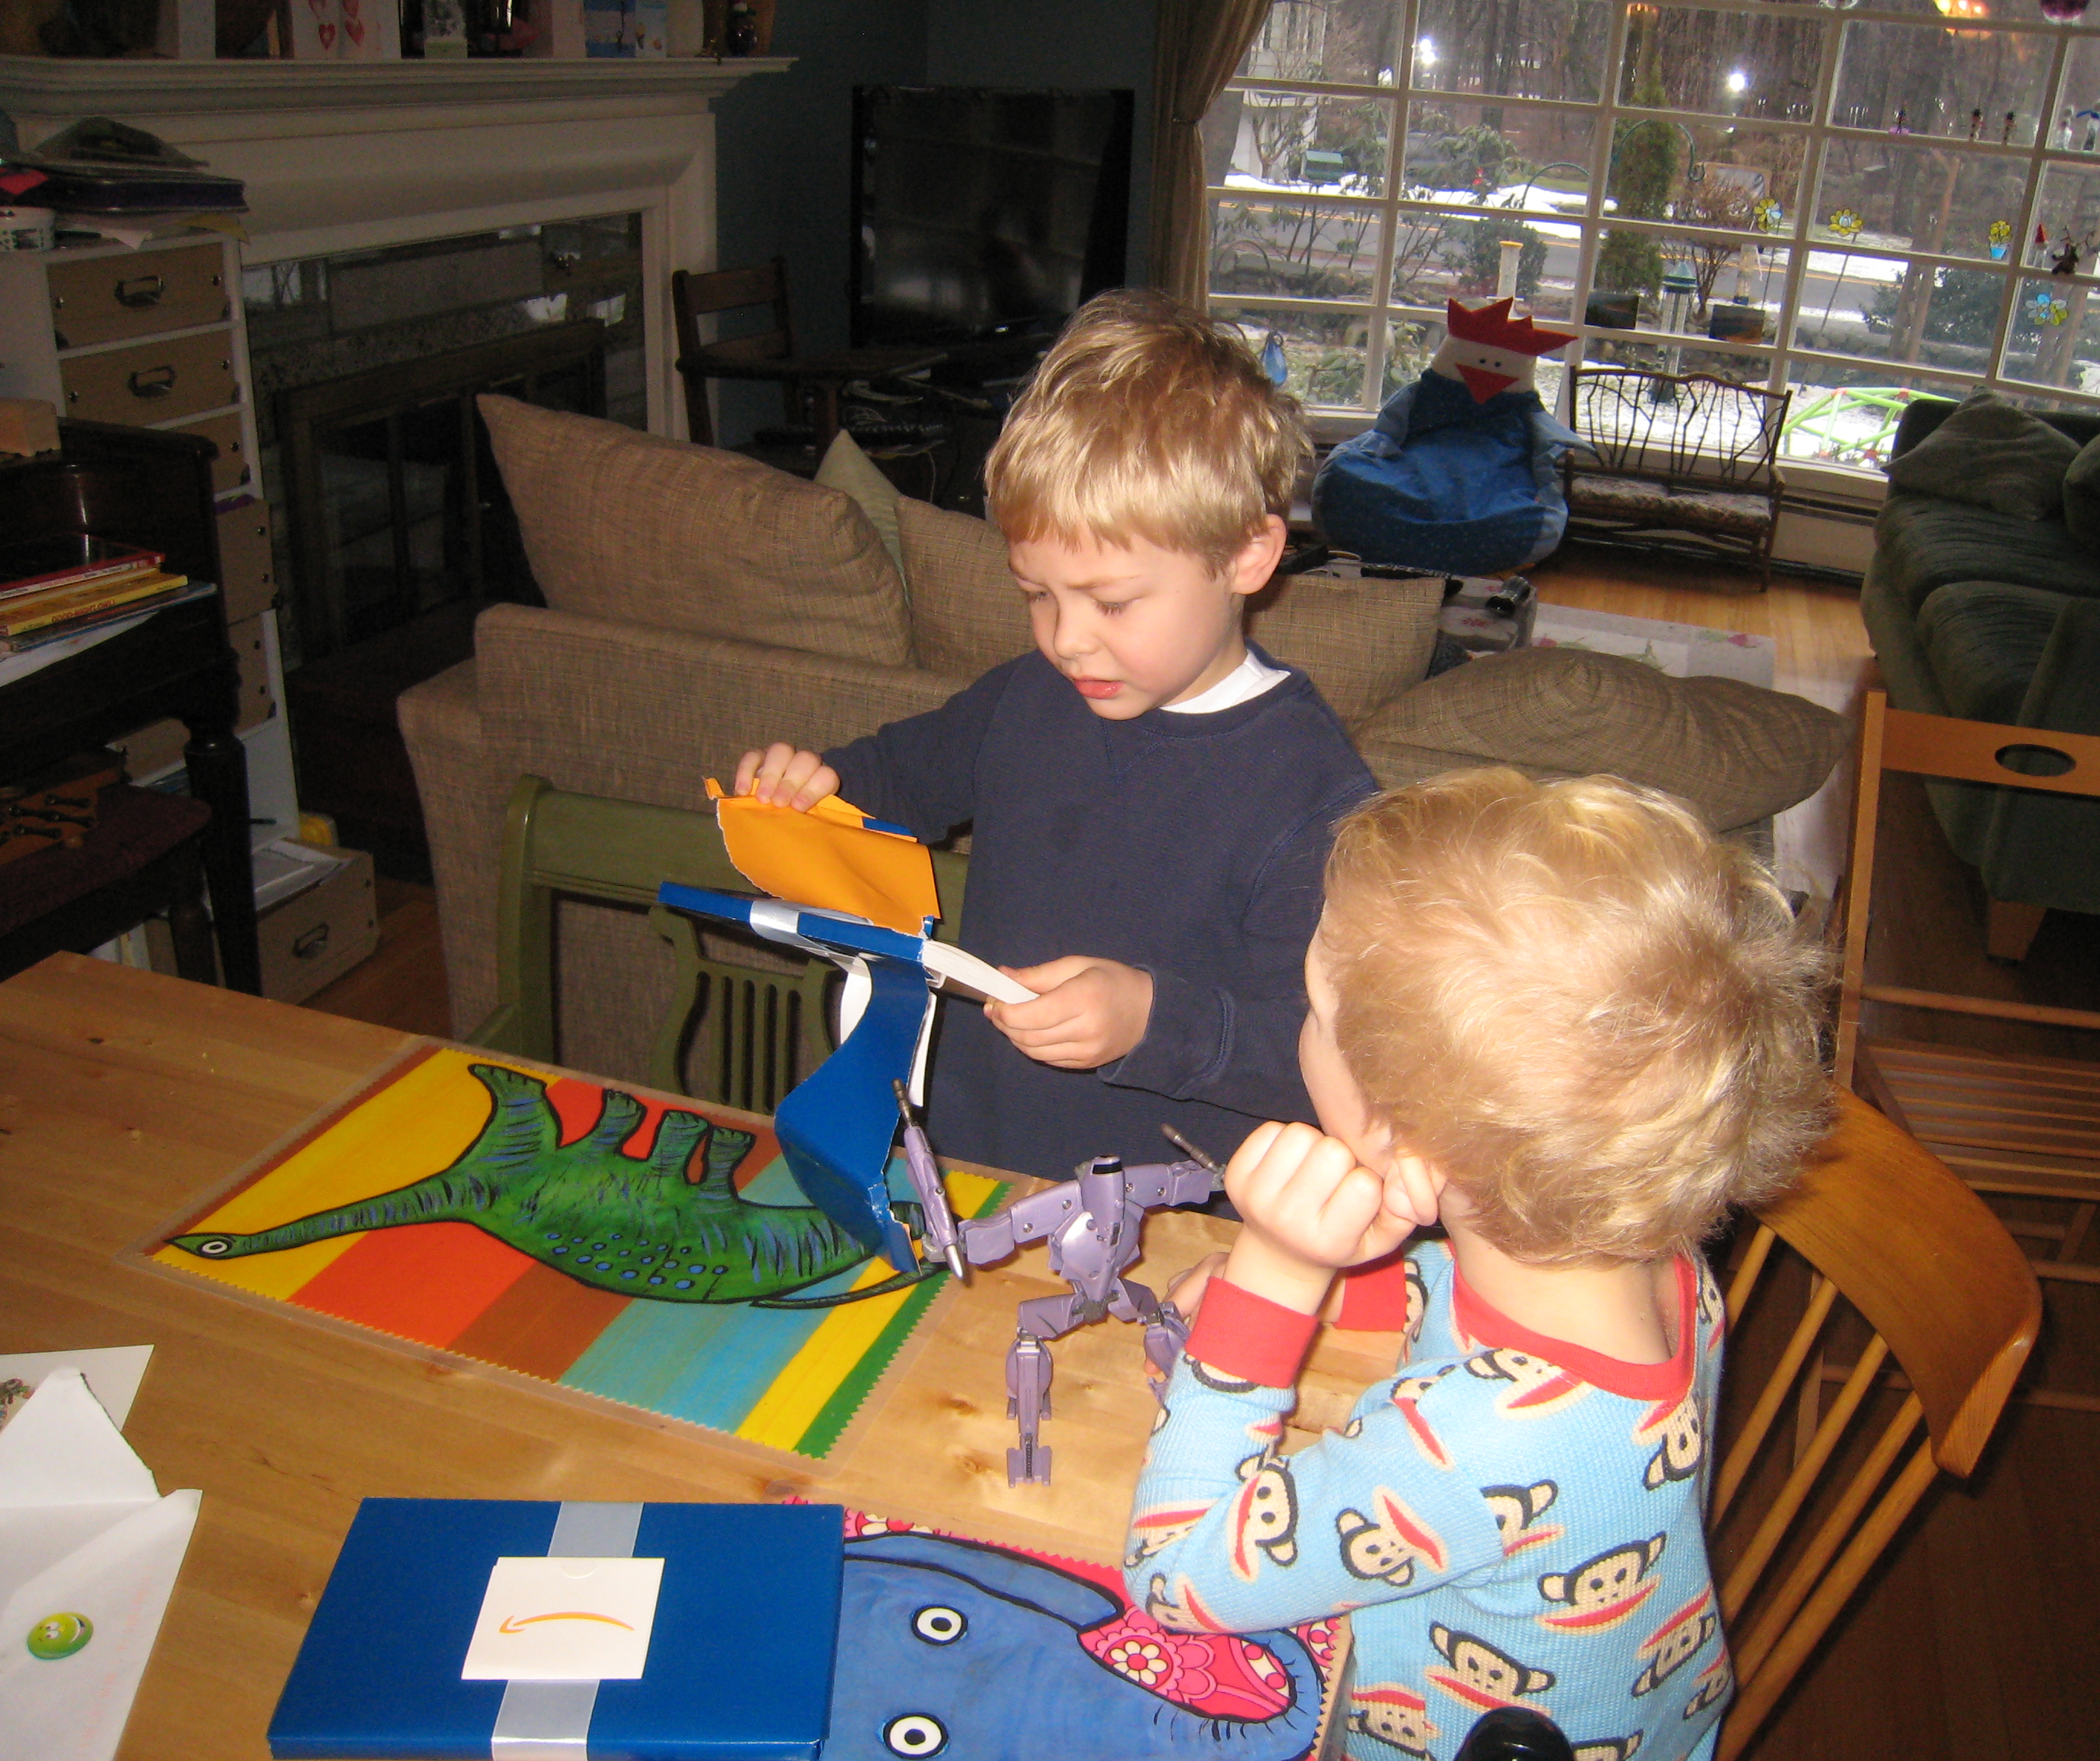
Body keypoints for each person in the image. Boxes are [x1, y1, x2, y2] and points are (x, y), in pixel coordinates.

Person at [1125, 770, 1834, 1761]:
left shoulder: (1469, 1449)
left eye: (1319, 1011)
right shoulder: (1657, 1263)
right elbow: (1475, 1302)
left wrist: (1271, 1281)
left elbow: (1174, 1572)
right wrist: (1343, 1287)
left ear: (1403, 1145)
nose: (1301, 1018)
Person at [733, 291, 1375, 1179]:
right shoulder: (1026, 698)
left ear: (1247, 557)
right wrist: (809, 793)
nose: (1066, 640)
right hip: (968, 1162)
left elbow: (1326, 1054)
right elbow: (892, 781)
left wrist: (1152, 1018)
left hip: (1167, 1211)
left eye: (1111, 602)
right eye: (1037, 594)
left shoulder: (1315, 797)